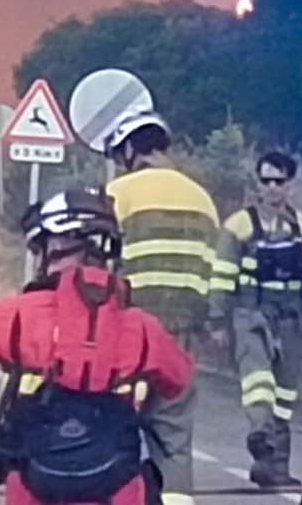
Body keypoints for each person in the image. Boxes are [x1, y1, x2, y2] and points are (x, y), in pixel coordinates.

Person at [0, 188, 193, 505]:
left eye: (41, 248)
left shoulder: (17, 316)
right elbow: (180, 384)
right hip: (119, 492)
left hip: (33, 491)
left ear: (57, 246)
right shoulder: (144, 329)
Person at [102, 110, 220, 505]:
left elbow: (99, 268)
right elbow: (213, 273)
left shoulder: (118, 194)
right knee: (174, 441)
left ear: (130, 150)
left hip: (126, 337)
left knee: (109, 431)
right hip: (182, 340)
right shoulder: (203, 200)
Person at [208, 151, 302, 489]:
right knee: (258, 380)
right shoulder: (239, 225)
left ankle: (273, 469)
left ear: (290, 184)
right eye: (266, 181)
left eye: (279, 181)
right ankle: (260, 434)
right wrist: (217, 321)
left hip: (290, 318)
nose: (272, 187)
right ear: (258, 183)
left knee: (285, 394)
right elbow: (222, 275)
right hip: (251, 315)